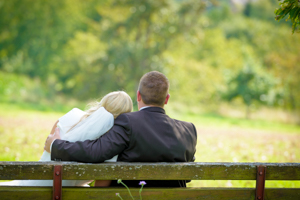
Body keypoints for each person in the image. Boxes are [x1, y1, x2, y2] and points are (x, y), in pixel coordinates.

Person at [45, 71, 197, 187]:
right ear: (167, 99)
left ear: (138, 96)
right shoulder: (189, 130)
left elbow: (96, 151)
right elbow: (187, 176)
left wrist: (56, 145)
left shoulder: (128, 122)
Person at [0, 91, 133, 187]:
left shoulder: (73, 114)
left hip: (37, 182)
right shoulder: (111, 145)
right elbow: (100, 186)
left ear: (103, 102)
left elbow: (46, 149)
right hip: (69, 192)